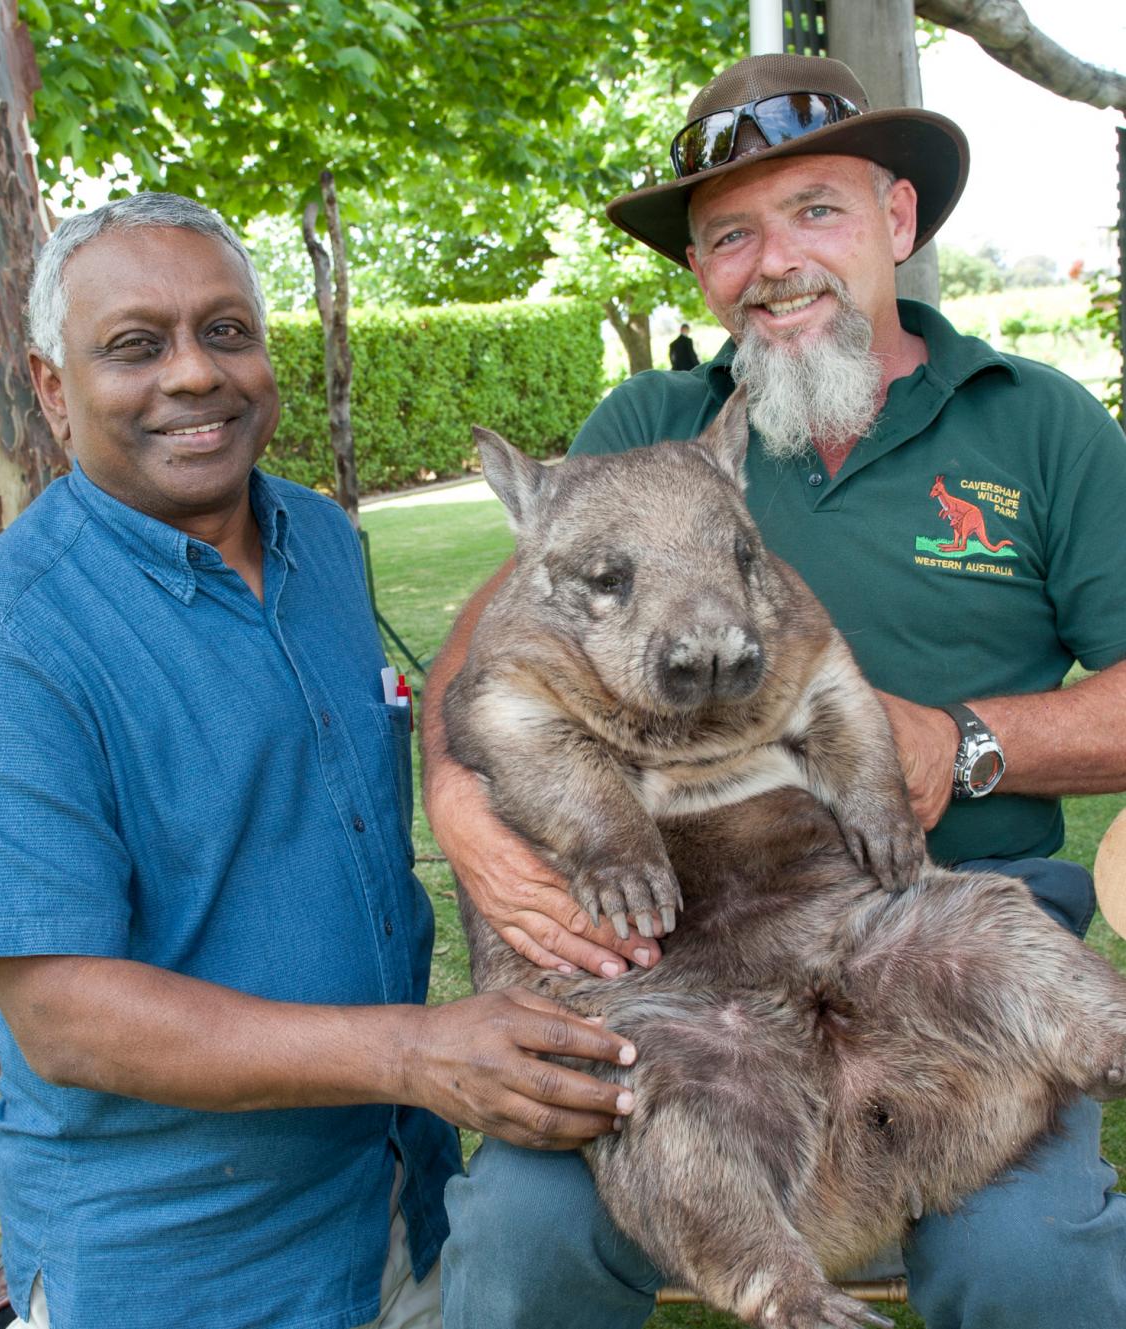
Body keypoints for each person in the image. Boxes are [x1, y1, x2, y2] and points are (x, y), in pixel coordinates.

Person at [423, 53, 1126, 1329]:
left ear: (896, 220)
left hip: (913, 920)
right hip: (664, 968)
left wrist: (965, 745)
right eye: (731, 235)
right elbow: (491, 647)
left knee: (1038, 1264)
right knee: (519, 1247)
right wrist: (462, 807)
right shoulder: (649, 424)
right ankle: (776, 1290)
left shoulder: (1039, 424)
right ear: (700, 270)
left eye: (818, 211)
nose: (776, 260)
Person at [0, 192, 640, 1329]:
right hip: (180, 1270)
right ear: (45, 385)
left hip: (395, 1203)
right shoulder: (1, 642)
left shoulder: (317, 537)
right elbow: (66, 1017)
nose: (193, 375)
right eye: (134, 346)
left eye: (227, 331)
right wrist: (419, 1051)